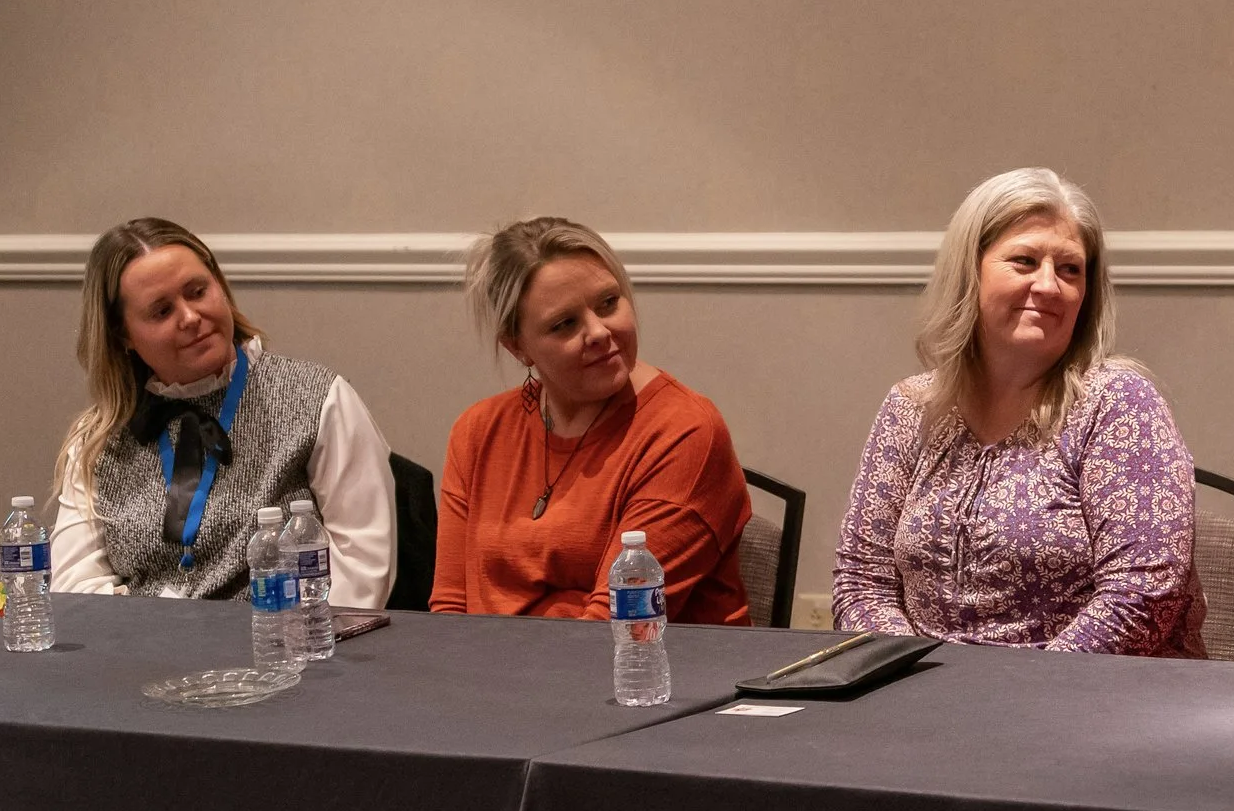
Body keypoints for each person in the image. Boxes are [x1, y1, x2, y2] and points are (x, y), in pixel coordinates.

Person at [832, 168, 1205, 657]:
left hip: (1080, 703)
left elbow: (1143, 594)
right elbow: (862, 581)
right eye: (1025, 261)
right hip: (922, 701)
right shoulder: (911, 408)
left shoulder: (1118, 401)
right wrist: (914, 683)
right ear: (971, 270)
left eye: (1070, 269)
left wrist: (1006, 696)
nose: (1049, 285)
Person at [50, 219, 395, 606]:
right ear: (124, 336)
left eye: (198, 292)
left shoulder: (318, 398)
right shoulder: (99, 437)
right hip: (144, 657)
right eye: (162, 311)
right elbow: (74, 590)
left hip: (285, 651)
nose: (191, 317)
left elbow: (362, 571)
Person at [432, 217, 752, 623]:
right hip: (492, 674)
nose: (599, 332)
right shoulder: (477, 432)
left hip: (642, 679)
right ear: (518, 348)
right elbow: (448, 614)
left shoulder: (685, 432)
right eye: (565, 324)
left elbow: (613, 628)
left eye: (608, 303)